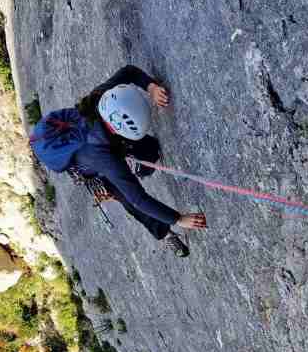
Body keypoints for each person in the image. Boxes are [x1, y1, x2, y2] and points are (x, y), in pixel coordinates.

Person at [69, 65, 207, 257]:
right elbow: (139, 200)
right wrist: (178, 219)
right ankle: (165, 234)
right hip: (95, 170)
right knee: (129, 200)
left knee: (151, 151)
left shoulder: (104, 98)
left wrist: (151, 87)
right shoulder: (107, 162)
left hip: (106, 143)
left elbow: (129, 72)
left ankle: (137, 162)